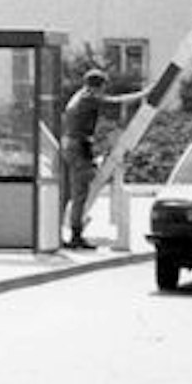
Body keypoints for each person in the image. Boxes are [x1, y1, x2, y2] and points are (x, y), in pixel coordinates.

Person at [60, 68, 148, 249]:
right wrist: (144, 94)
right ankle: (76, 232)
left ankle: (74, 225)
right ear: (97, 86)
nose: (103, 91)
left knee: (79, 188)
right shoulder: (88, 98)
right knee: (81, 191)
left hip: (73, 145)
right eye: (103, 87)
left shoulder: (79, 96)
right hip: (78, 147)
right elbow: (115, 102)